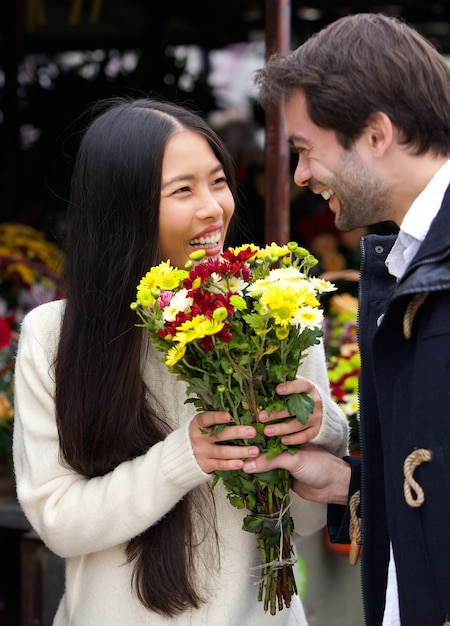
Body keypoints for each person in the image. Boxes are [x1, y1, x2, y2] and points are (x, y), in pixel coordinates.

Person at [13, 97, 349, 625]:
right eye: (182, 190)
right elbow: (57, 520)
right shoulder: (55, 335)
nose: (214, 208)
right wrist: (181, 460)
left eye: (218, 181)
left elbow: (301, 521)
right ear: (123, 206)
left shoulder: (275, 317)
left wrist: (320, 430)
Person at [243, 12, 450, 626]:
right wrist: (344, 481)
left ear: (377, 134)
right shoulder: (407, 261)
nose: (300, 174)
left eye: (305, 149)